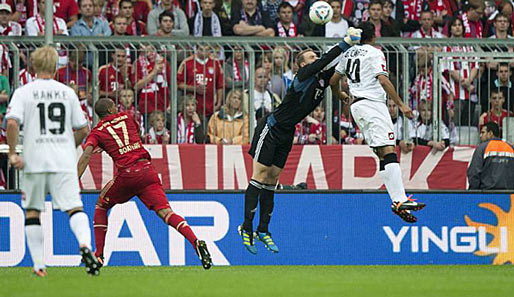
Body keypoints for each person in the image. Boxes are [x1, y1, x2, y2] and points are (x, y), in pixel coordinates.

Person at [239, 27, 362, 255]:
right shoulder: (302, 77)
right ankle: (246, 227)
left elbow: (335, 73)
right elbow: (325, 60)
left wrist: (339, 92)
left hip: (287, 132)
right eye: (311, 57)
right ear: (302, 64)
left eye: (315, 55)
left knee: (272, 180)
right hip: (271, 127)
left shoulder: (321, 78)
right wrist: (345, 41)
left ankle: (263, 229)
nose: (315, 58)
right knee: (259, 176)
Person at [77, 98, 213, 269]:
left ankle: (99, 255)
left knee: (101, 205)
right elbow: (134, 137)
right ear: (111, 109)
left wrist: (75, 180)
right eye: (114, 106)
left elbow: (87, 154)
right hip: (147, 170)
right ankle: (195, 241)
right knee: (167, 213)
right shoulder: (127, 117)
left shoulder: (97, 132)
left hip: (127, 174)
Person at [5, 46, 99, 277]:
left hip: (34, 159)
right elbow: (83, 128)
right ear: (56, 67)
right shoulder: (67, 92)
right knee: (74, 208)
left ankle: (39, 265)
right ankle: (85, 246)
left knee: (33, 212)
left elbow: (12, 123)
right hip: (63, 160)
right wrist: (68, 146)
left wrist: (13, 153)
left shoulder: (24, 92)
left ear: (33, 67)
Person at [330, 22, 425, 223]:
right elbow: (382, 80)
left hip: (357, 107)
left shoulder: (348, 54)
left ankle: (397, 200)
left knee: (383, 153)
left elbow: (333, 80)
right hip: (373, 105)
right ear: (373, 36)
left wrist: (340, 95)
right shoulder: (374, 53)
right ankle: (400, 199)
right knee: (389, 150)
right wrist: (401, 105)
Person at [467, 122, 514, 190]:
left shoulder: (482, 148)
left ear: (490, 133)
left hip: (487, 194)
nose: (480, 135)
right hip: (509, 195)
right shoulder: (511, 148)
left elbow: (474, 173)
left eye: (483, 132)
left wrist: (474, 192)